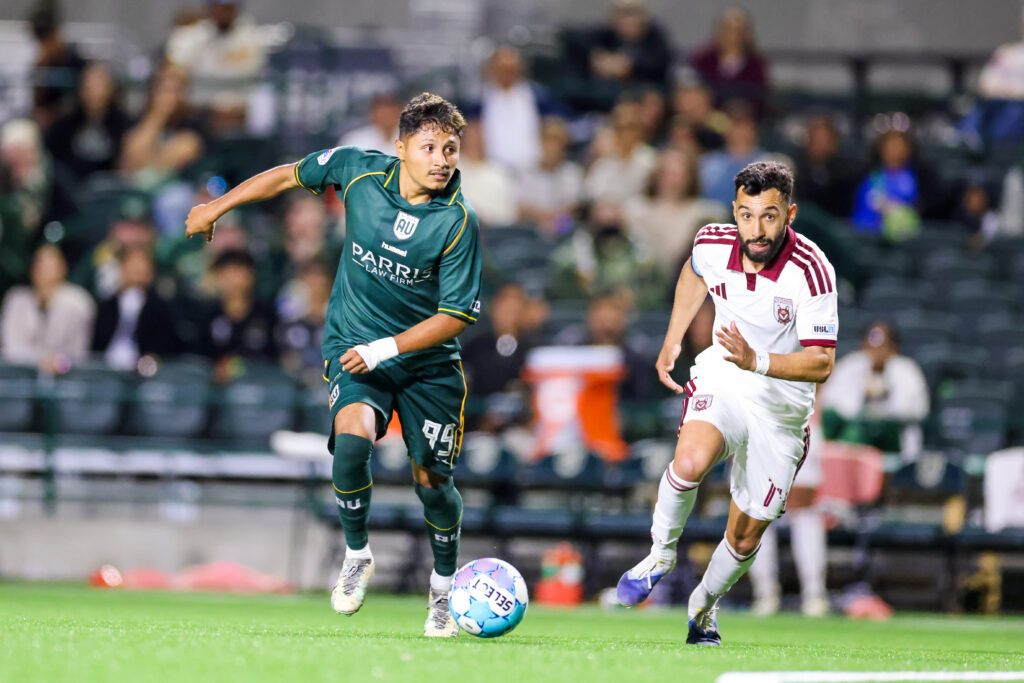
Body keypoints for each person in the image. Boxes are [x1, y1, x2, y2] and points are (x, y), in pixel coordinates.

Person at [184, 93, 482, 638]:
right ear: (400, 148)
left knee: (432, 481)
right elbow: (286, 176)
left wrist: (386, 348)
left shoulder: (457, 222)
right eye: (429, 147)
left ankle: (443, 591)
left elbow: (455, 316)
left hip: (427, 366)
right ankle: (357, 553)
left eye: (451, 149)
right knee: (350, 442)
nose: (442, 160)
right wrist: (216, 208)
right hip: (353, 345)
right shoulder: (358, 171)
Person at [615, 161, 838, 646]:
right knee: (689, 462)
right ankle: (660, 554)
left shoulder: (812, 270)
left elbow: (821, 362)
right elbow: (695, 273)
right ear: (734, 211)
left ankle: (704, 605)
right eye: (746, 215)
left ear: (789, 214)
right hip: (726, 374)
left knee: (745, 535)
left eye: (769, 216)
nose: (755, 230)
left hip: (782, 407)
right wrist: (673, 338)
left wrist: (759, 360)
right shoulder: (712, 242)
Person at [747, 394, 829, 617]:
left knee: (804, 508)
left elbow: (818, 378)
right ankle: (765, 593)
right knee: (756, 511)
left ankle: (814, 593)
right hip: (757, 422)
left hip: (798, 419)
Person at [820, 320, 929, 457]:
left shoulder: (906, 370)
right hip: (856, 438)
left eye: (883, 346)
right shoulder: (851, 365)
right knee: (853, 432)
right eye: (872, 346)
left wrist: (882, 400)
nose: (877, 352)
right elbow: (830, 402)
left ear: (894, 347)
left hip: (896, 440)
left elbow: (917, 410)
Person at [165, 0, 268, 133]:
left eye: (228, 7)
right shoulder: (194, 35)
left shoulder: (251, 36)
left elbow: (259, 78)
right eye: (219, 7)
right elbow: (173, 72)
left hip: (243, 113)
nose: (223, 13)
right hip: (199, 112)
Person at [0, 243, 95, 372]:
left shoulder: (78, 302)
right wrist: (39, 361)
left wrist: (60, 363)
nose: (42, 269)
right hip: (18, 375)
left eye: (49, 264)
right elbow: (10, 348)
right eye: (38, 263)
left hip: (66, 376)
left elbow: (79, 352)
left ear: (62, 268)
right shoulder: (16, 299)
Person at [91, 245, 179, 369]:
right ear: (122, 268)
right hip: (106, 365)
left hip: (145, 368)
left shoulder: (160, 307)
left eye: (141, 265)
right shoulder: (108, 305)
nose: (137, 269)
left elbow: (165, 344)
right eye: (132, 265)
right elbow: (97, 342)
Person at [195, 248, 279, 373]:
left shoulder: (267, 314)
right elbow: (200, 358)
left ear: (251, 276)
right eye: (225, 274)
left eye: (237, 272)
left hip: (260, 380)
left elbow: (274, 357)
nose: (231, 280)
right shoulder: (208, 315)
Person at [44, 61, 130, 182]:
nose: (93, 89)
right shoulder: (65, 125)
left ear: (111, 89)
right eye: (88, 83)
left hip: (111, 188)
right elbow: (54, 161)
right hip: (72, 187)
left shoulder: (123, 125)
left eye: (99, 84)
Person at [689, 7, 769, 118]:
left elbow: (760, 99)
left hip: (742, 120)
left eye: (739, 31)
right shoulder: (702, 60)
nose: (733, 36)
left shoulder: (756, 64)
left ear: (747, 34)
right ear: (719, 31)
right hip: (707, 118)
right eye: (728, 30)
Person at [515, 117, 584, 236]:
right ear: (540, 143)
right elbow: (519, 209)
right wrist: (543, 217)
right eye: (547, 141)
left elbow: (576, 207)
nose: (551, 147)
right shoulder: (526, 172)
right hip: (532, 231)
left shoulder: (572, 173)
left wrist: (554, 218)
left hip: (565, 230)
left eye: (556, 142)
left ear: (563, 146)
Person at [794, 115, 856, 218]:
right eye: (816, 140)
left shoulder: (846, 173)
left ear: (834, 144)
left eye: (825, 141)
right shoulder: (797, 169)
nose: (820, 146)